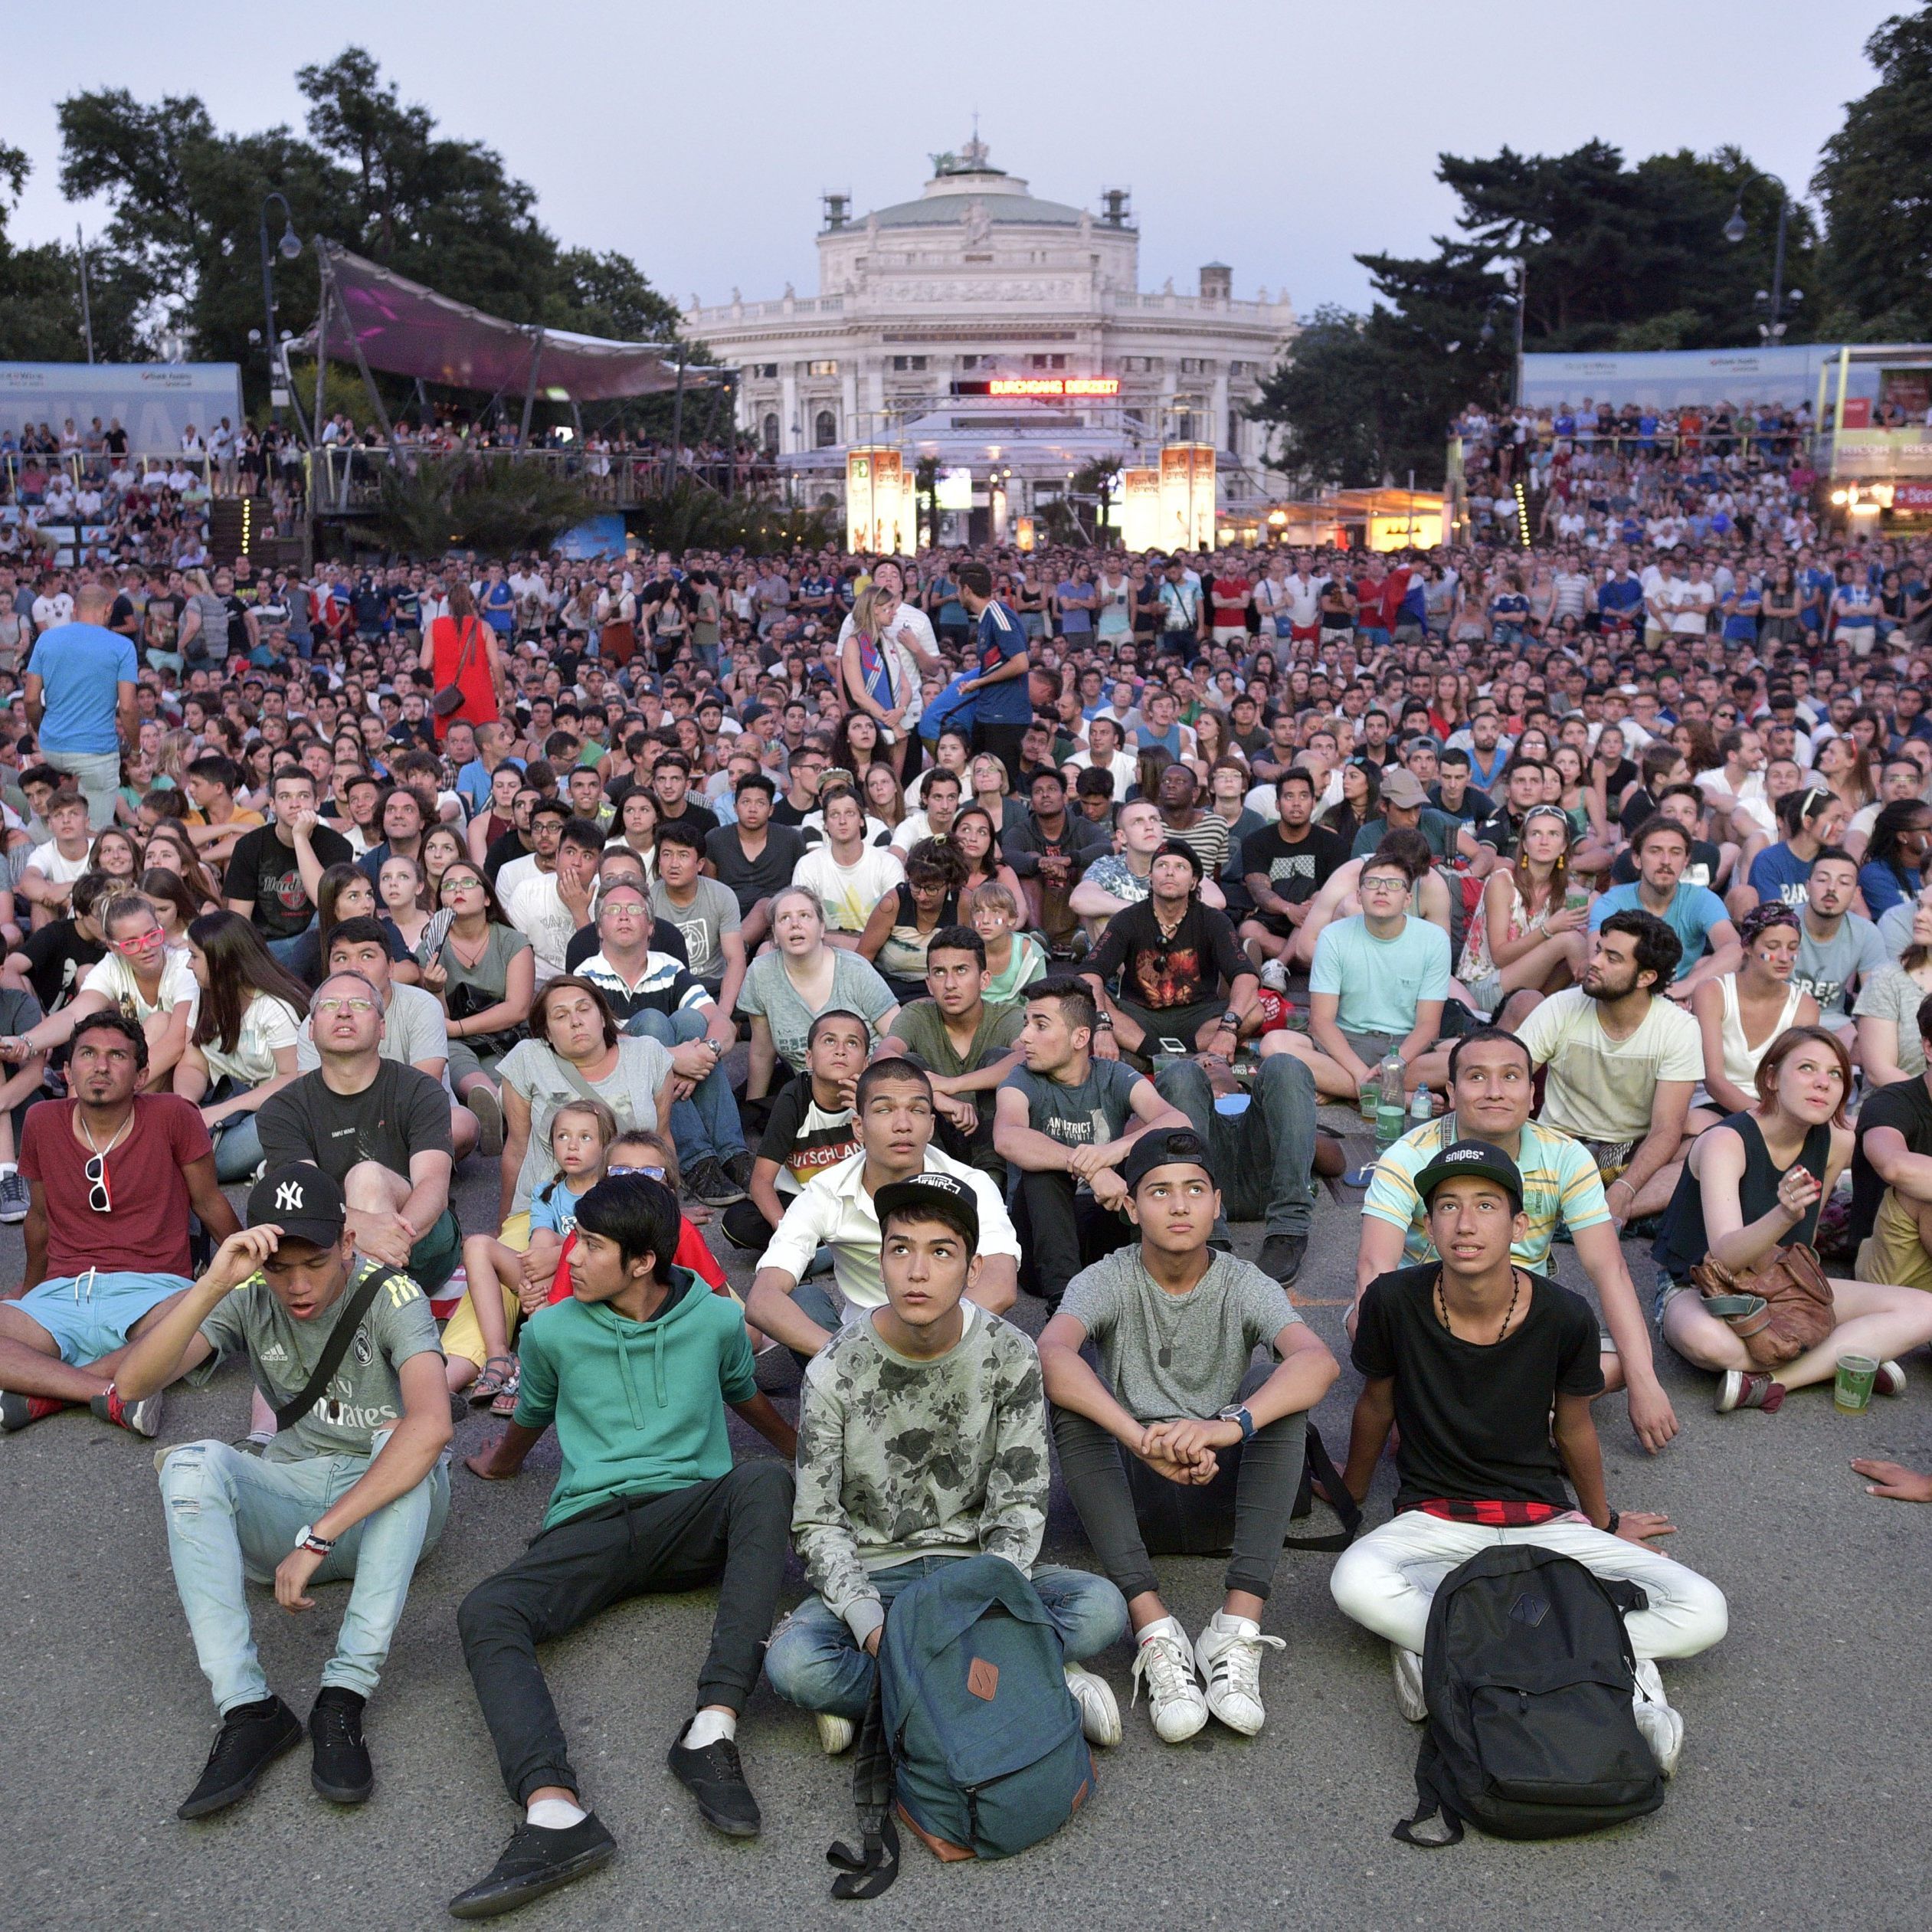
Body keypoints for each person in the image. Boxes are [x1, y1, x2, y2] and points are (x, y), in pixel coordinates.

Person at [450, 1176, 797, 1917]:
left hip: (689, 1515)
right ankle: (554, 1814)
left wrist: (806, 1456)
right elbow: (532, 1416)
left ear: (643, 1261)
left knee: (767, 1484)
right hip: (592, 1523)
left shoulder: (712, 1319)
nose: (569, 1257)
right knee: (487, 1610)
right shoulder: (550, 1330)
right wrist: (499, 1461)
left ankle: (712, 1732)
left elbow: (747, 1398)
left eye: (593, 1246)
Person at [1331, 1140, 1726, 1767]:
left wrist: (1603, 1521)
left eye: (1487, 1206)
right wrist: (1348, 1497)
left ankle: (1447, 1653)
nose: (1466, 1224)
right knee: (1352, 1582)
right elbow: (1376, 1405)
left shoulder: (1564, 1315)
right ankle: (1601, 1669)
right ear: (1427, 1225)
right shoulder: (1393, 1302)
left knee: (1707, 1611)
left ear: (1519, 1225)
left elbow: (1573, 1430)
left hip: (1544, 1523)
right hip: (1434, 1519)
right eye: (1448, 1207)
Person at [115, 1167, 451, 1819]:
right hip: (295, 1497)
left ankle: (344, 1695)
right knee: (188, 1463)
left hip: (390, 1515)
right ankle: (247, 1708)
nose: (297, 1285)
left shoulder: (392, 1293)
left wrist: (321, 1536)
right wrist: (216, 1280)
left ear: (349, 1243)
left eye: (316, 1263)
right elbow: (132, 1384)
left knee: (404, 1440)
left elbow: (434, 1424)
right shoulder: (246, 1295)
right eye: (279, 1268)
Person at [768, 1168, 1128, 1755]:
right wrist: (872, 1627)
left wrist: (980, 1602)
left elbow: (1020, 1501)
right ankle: (1029, 1680)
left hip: (977, 1569)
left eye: (941, 1252)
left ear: (972, 1268)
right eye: (900, 1250)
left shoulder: (1010, 1354)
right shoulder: (834, 1368)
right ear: (879, 1261)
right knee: (794, 1664)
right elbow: (817, 1520)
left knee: (1102, 1609)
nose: (917, 1272)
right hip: (878, 1573)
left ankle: (874, 1702)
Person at [1039, 1127, 1339, 1742]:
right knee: (1075, 1393)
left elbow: (1319, 1362)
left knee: (1280, 1390)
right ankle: (1153, 1628)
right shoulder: (1107, 1277)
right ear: (1132, 1205)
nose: (1179, 1206)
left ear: (1218, 1202)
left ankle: (1236, 1628)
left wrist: (1226, 1428)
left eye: (1194, 1190)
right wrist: (1137, 1435)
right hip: (1127, 1499)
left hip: (1223, 1491)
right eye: (1160, 1192)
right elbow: (1051, 1354)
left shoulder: (1243, 1281)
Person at [1355, 1025, 1679, 1451]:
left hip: (1518, 1317)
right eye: (1476, 1077)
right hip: (1429, 1321)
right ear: (1451, 1092)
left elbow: (1609, 1268)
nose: (1494, 1091)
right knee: (1360, 1322)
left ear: (1531, 1093)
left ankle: (1468, 1418)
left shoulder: (1565, 1156)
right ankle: (1518, 1419)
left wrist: (1645, 1385)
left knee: (1619, 1365)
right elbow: (1373, 1270)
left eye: (1510, 1077)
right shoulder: (1408, 1156)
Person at [1653, 1025, 1932, 1411]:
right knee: (1711, 1345)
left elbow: (1804, 1245)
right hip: (1699, 1285)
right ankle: (1844, 1358)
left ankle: (1774, 1382)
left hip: (1783, 1284)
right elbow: (1723, 1257)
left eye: (1835, 1074)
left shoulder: (1838, 1143)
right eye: (1806, 1068)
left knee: (1924, 1309)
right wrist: (1783, 1214)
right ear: (1771, 1078)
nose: (1822, 1083)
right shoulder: (1726, 1141)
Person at [0, 1009, 237, 1435]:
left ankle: (47, 1391)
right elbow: (39, 1217)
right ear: (69, 1070)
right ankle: (111, 1391)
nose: (101, 1066)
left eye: (117, 1056)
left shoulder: (174, 1115)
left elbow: (209, 1202)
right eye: (87, 1054)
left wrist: (249, 1274)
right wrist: (30, 1290)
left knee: (220, 1312)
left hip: (155, 1294)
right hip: (63, 1295)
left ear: (141, 1075)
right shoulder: (43, 1121)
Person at [745, 1056, 1020, 1357]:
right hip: (861, 1347)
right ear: (859, 1127)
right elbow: (763, 1299)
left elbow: (999, 1284)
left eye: (916, 1110)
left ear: (930, 1126)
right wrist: (849, 1357)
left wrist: (922, 1349)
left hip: (949, 1341)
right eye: (884, 1110)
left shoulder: (971, 1183)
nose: (902, 1125)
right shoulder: (827, 1190)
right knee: (805, 1300)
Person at [994, 977, 1192, 1311]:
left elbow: (1178, 1122)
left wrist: (1109, 1153)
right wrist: (1086, 1165)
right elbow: (1008, 1137)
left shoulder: (1113, 1075)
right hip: (1041, 1240)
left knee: (1150, 1154)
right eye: (1026, 1024)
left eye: (1040, 1025)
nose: (1024, 1037)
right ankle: (1066, 1310)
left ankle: (1159, 1283)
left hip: (1104, 1217)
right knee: (1043, 1171)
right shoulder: (1020, 1078)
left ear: (1080, 1037)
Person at [256, 971, 460, 1294]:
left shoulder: (420, 1090)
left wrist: (392, 1238)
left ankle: (364, 1314)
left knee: (367, 1177)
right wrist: (363, 1227)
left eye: (360, 1004)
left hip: (422, 1240)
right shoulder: (281, 1109)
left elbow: (433, 1185)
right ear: (310, 1029)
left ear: (382, 1027)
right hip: (332, 1247)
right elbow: (306, 1201)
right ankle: (376, 1308)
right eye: (330, 1005)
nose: (344, 1012)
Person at [574, 877, 751, 1207]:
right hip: (618, 1091)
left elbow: (722, 1025)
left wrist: (702, 1054)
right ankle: (694, 1160)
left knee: (692, 1021)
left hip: (669, 1081)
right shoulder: (585, 978)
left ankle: (733, 1155)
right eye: (613, 910)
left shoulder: (670, 968)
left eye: (633, 909)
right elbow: (600, 1046)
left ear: (651, 926)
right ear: (600, 928)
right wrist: (671, 1060)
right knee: (654, 1021)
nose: (624, 916)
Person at [1514, 912, 1701, 1222]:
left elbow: (1666, 1130)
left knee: (1703, 1153)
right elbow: (1510, 1077)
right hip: (1559, 1144)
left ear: (1646, 977)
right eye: (1598, 950)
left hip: (1628, 1154)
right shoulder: (1562, 1006)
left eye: (1612, 958)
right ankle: (1594, 1214)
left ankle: (1588, 1212)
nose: (1595, 962)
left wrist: (1626, 1188)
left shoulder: (1677, 1028)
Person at [455, 1096, 617, 1410]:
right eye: (563, 1136)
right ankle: (499, 1355)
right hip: (546, 1283)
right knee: (478, 1245)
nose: (572, 1146)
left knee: (566, 1251)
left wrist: (557, 1258)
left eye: (585, 1137)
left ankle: (533, 1373)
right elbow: (539, 1250)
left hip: (592, 1288)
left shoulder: (613, 1191)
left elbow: (606, 1250)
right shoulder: (547, 1191)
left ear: (606, 1144)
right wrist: (534, 1282)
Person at [1270, 846, 1449, 1102]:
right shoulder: (1333, 936)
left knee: (1467, 1058)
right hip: (1345, 1044)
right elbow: (1320, 1022)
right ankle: (1397, 1098)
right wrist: (1360, 1072)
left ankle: (1342, 1089)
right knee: (1275, 1044)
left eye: (1394, 884)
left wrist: (1393, 1065)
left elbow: (1429, 1026)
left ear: (1408, 899)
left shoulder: (1434, 940)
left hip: (1406, 1050)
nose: (1382, 890)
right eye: (1372, 883)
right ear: (1358, 894)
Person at [496, 976, 674, 1230]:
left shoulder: (648, 1055)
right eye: (561, 1016)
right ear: (546, 1031)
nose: (576, 1022)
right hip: (544, 1209)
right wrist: (504, 1224)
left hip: (629, 1208)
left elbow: (661, 1139)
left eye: (584, 1009)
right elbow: (516, 1149)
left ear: (602, 1017)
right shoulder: (527, 1059)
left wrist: (672, 1210)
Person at [1079, 839, 1258, 1063]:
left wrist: (1229, 1028)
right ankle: (1159, 1053)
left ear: (1194, 882)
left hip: (1199, 1017)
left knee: (1254, 1012)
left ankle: (1149, 1057)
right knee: (1085, 1000)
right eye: (1162, 866)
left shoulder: (1214, 921)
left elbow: (1246, 976)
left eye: (1180, 867)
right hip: (1139, 1017)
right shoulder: (1127, 919)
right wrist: (1103, 1025)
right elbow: (1090, 974)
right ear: (1151, 879)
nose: (1170, 873)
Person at [0, 892, 199, 1092]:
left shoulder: (184, 967)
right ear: (114, 947)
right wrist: (26, 1042)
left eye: (152, 935)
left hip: (177, 1071)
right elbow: (74, 1014)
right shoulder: (112, 966)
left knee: (160, 1021)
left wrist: (117, 1086)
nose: (146, 947)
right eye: (132, 943)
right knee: (89, 1056)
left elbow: (176, 1042)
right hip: (139, 1064)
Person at [877, 923, 1025, 1176]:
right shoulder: (917, 1014)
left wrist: (954, 1084)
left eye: (961, 970)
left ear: (984, 979)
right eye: (939, 972)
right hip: (935, 1144)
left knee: (1001, 1059)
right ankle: (927, 1181)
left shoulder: (1007, 1016)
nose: (950, 984)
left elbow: (1027, 1056)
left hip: (992, 1144)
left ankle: (992, 1183)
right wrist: (939, 1098)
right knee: (907, 1063)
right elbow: (883, 1057)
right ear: (928, 983)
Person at [175, 909, 309, 1183]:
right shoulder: (207, 997)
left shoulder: (274, 1006)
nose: (189, 965)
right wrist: (187, 1108)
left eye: (194, 956)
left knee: (210, 1164)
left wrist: (218, 1113)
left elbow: (294, 1078)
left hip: (276, 1110)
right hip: (225, 1105)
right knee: (181, 1149)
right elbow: (193, 1060)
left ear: (221, 960)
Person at [736, 886, 899, 1100]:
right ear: (774, 934)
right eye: (785, 918)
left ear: (822, 928)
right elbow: (762, 1051)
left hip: (874, 1089)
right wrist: (753, 1107)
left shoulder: (855, 969)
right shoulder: (761, 973)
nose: (795, 924)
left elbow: (900, 1036)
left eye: (805, 916)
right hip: (813, 1097)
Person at [423, 860, 535, 1153]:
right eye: (448, 885)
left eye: (468, 883)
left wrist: (458, 1028)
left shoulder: (513, 941)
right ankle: (483, 1097)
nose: (457, 888)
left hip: (504, 1036)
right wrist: (435, 990)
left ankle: (495, 1106)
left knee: (503, 1075)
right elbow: (439, 1020)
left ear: (487, 898)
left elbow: (518, 1008)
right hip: (456, 1041)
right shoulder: (432, 946)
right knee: (449, 1050)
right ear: (441, 902)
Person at [1688, 903, 1818, 1125]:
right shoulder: (1712, 992)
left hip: (1776, 1108)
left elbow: (1797, 1079)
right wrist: (1765, 1118)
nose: (1785, 957)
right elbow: (1714, 1080)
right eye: (1773, 946)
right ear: (1747, 946)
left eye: (1793, 947)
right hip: (1711, 1105)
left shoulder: (1805, 1006)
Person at [23, 578, 136, 828]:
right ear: (108, 609)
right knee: (95, 831)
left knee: (57, 820)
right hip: (96, 752)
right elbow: (127, 708)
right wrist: (136, 746)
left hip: (52, 748)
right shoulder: (123, 646)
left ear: (74, 608)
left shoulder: (47, 640)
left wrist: (41, 731)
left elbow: (30, 699)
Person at [1588, 815, 1741, 997]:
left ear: (1685, 862)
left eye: (1676, 852)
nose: (1666, 861)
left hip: (1681, 996)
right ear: (1637, 860)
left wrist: (1684, 988)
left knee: (1706, 965)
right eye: (1655, 851)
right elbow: (1597, 960)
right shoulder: (1612, 902)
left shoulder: (1701, 899)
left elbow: (1735, 950)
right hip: (1623, 993)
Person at [225, 766, 354, 964]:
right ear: (272, 805)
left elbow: (326, 904)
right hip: (265, 948)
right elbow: (239, 919)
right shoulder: (249, 846)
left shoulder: (337, 846)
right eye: (285, 797)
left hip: (317, 947)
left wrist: (300, 836)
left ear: (317, 803)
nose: (295, 804)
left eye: (303, 796)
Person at [1238, 769, 1344, 969]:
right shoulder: (1256, 841)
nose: (1296, 803)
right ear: (1278, 805)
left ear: (1314, 803)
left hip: (1315, 918)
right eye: (1289, 796)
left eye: (1304, 796)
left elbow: (1336, 889)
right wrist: (1288, 909)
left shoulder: (1334, 843)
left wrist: (1309, 907)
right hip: (1273, 917)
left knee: (1313, 907)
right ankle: (1309, 961)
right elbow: (1258, 890)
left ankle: (1278, 964)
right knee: (1248, 931)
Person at [704, 772, 807, 954]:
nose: (753, 809)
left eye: (760, 803)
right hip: (729, 915)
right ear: (735, 808)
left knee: (765, 905)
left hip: (777, 918)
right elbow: (709, 887)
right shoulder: (716, 839)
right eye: (746, 802)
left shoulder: (790, 839)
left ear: (771, 809)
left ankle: (729, 954)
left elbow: (800, 884)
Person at [793, 787, 904, 949]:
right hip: (823, 949)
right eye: (834, 814)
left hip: (879, 949)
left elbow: (895, 922)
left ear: (861, 820)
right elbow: (802, 920)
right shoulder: (808, 865)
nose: (842, 821)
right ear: (825, 824)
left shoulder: (887, 863)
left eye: (850, 813)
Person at [648, 823, 745, 1009]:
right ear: (659, 860)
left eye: (683, 855)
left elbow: (735, 960)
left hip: (714, 985)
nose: (674, 864)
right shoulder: (649, 901)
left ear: (700, 864)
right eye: (667, 854)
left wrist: (722, 1014)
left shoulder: (721, 895)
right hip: (670, 987)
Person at [955, 561, 1032, 783]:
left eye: (958, 589)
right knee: (980, 783)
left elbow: (1020, 663)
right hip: (990, 713)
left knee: (1004, 786)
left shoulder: (998, 613)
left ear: (967, 589)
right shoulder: (986, 618)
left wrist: (979, 682)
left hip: (1005, 716)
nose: (956, 595)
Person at [422, 579, 506, 742]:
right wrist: (501, 695)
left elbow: (425, 664)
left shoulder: (434, 626)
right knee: (484, 743)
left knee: (452, 744)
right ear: (472, 602)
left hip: (449, 698)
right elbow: (496, 664)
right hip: (480, 696)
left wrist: (443, 662)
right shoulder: (484, 627)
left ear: (449, 603)